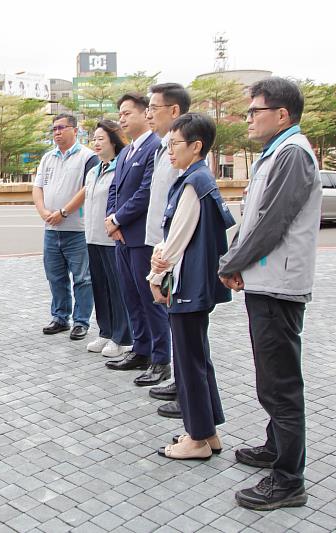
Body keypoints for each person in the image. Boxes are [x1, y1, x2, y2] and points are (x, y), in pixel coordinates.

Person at [218, 77, 322, 511]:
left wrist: (232, 262)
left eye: (254, 111)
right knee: (271, 377)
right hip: (267, 281)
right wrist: (239, 260)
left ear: (281, 114)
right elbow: (255, 216)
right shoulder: (276, 153)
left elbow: (271, 222)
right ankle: (275, 448)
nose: (248, 119)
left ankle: (288, 479)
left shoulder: (293, 154)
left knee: (280, 384)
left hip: (280, 286)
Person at [148, 113, 235, 460]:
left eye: (174, 144)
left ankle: (196, 438)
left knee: (187, 361)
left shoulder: (192, 185)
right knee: (197, 357)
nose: (169, 150)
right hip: (198, 284)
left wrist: (156, 277)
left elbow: (177, 239)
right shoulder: (203, 179)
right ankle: (207, 431)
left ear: (196, 146)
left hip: (186, 285)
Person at [104, 93, 171, 387]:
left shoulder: (154, 149)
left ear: (146, 115)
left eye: (127, 113)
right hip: (121, 237)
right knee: (131, 296)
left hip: (142, 237)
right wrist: (111, 219)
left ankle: (160, 359)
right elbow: (114, 190)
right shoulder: (126, 152)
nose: (122, 118)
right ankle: (140, 350)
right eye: (120, 113)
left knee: (150, 300)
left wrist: (118, 219)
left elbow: (146, 193)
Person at [143, 83, 192, 418]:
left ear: (174, 111)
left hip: (173, 252)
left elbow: (182, 210)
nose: (149, 113)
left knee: (184, 326)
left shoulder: (182, 151)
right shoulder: (163, 148)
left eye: (154, 107)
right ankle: (178, 379)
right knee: (173, 319)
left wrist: (165, 258)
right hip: (160, 245)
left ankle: (183, 385)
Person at [32, 114, 98, 341]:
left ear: (75, 130)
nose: (57, 132)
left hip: (77, 229)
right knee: (55, 276)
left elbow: (87, 188)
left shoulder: (88, 157)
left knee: (82, 278)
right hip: (51, 229)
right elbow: (37, 187)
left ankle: (81, 321)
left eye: (62, 127)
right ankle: (60, 317)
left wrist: (64, 212)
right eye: (54, 129)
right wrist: (43, 212)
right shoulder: (47, 158)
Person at [83, 120, 133, 358]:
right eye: (94, 138)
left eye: (101, 138)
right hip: (92, 237)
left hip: (111, 238)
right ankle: (105, 331)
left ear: (114, 140)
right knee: (99, 287)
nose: (96, 142)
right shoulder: (94, 170)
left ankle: (122, 336)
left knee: (117, 289)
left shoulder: (120, 168)